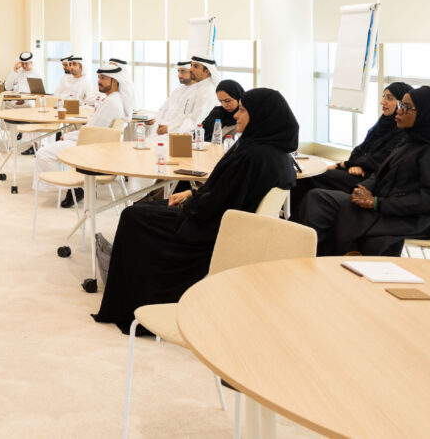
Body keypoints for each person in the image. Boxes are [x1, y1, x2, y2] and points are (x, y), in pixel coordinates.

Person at [92, 88, 298, 333]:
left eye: (243, 110)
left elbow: (217, 204)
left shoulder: (253, 155)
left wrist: (192, 202)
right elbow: (227, 193)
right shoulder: (273, 152)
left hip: (212, 229)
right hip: (226, 221)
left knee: (134, 216)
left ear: (261, 115)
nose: (236, 115)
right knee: (144, 209)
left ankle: (131, 303)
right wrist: (192, 193)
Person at [301, 86, 430, 256]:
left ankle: (327, 260)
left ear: (427, 114)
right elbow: (381, 174)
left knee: (328, 207)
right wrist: (363, 189)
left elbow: (429, 199)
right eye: (401, 105)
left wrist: (377, 203)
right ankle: (313, 256)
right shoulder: (411, 141)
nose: (399, 111)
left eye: (406, 107)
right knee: (317, 199)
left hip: (408, 218)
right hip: (384, 206)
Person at [289, 82, 412, 221]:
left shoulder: (402, 132)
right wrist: (355, 164)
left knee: (312, 178)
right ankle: (294, 221)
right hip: (357, 171)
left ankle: (295, 223)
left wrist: (343, 165)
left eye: (389, 98)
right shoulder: (383, 123)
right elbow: (359, 150)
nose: (382, 102)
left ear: (402, 104)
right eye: (383, 96)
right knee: (307, 179)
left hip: (368, 180)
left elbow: (379, 161)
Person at [34, 65, 133, 207]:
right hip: (95, 143)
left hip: (91, 146)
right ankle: (77, 186)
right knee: (51, 150)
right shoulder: (113, 99)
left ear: (115, 81)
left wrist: (68, 136)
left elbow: (93, 132)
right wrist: (71, 135)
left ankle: (75, 187)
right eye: (99, 77)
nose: (99, 81)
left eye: (103, 78)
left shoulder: (111, 102)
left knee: (43, 154)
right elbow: (93, 129)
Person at [150, 61, 192, 135]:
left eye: (183, 72)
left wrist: (169, 129)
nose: (179, 75)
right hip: (163, 129)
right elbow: (163, 109)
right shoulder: (178, 89)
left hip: (177, 133)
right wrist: (155, 121)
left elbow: (189, 121)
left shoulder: (196, 92)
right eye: (178, 71)